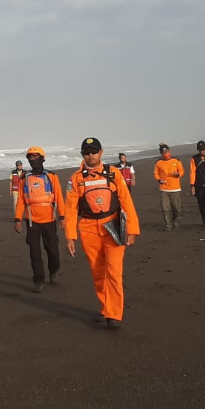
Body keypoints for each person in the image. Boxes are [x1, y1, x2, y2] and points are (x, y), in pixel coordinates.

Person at [64, 137, 140, 329]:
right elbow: (71, 209)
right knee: (98, 273)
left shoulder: (113, 174)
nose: (91, 156)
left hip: (112, 226)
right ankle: (106, 307)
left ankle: (114, 314)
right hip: (88, 229)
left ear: (101, 152)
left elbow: (126, 201)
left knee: (114, 271)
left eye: (94, 151)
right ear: (83, 155)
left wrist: (132, 229)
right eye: (87, 152)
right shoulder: (76, 179)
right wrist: (70, 236)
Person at [14, 146, 64, 292]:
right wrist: (17, 218)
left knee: (53, 251)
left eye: (36, 157)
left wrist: (62, 216)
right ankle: (38, 280)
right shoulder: (25, 178)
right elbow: (21, 201)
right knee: (34, 253)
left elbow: (59, 197)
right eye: (30, 157)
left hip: (49, 220)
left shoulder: (52, 176)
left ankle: (53, 270)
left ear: (42, 158)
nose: (32, 159)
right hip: (31, 221)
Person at [153, 143, 184, 231]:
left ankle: (174, 220)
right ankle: (168, 224)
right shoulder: (158, 162)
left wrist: (178, 174)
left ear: (169, 151)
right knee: (165, 208)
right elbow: (155, 173)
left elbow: (181, 170)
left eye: (167, 152)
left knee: (176, 208)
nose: (166, 154)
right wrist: (159, 180)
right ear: (161, 153)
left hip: (175, 188)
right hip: (164, 188)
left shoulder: (176, 160)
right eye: (164, 153)